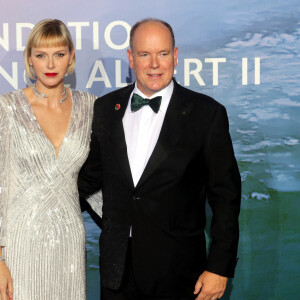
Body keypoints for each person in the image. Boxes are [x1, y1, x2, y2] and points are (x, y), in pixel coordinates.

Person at [79, 18, 241, 300]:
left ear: (175, 56)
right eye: (144, 54)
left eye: (163, 53)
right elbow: (88, 179)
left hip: (180, 274)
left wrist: (219, 267)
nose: (154, 64)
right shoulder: (106, 108)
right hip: (117, 276)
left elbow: (225, 196)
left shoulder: (206, 114)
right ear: (131, 58)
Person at [0, 19, 96, 300]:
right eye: (41, 55)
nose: (50, 64)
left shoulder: (90, 107)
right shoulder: (8, 107)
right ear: (30, 59)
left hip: (69, 239)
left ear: (71, 57)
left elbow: (99, 179)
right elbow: (1, 183)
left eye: (59, 54)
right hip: (20, 242)